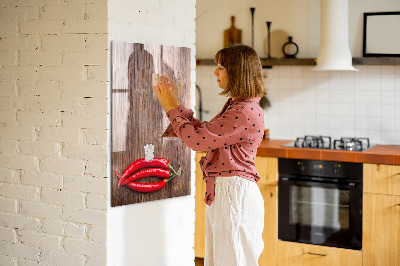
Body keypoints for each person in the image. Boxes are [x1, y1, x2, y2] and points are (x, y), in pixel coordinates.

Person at [153, 44, 266, 266]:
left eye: (221, 67)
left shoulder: (243, 111)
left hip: (234, 195)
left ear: (237, 71)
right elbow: (205, 133)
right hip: (228, 193)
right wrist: (175, 104)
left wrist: (169, 108)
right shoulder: (239, 106)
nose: (215, 72)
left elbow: (197, 141)